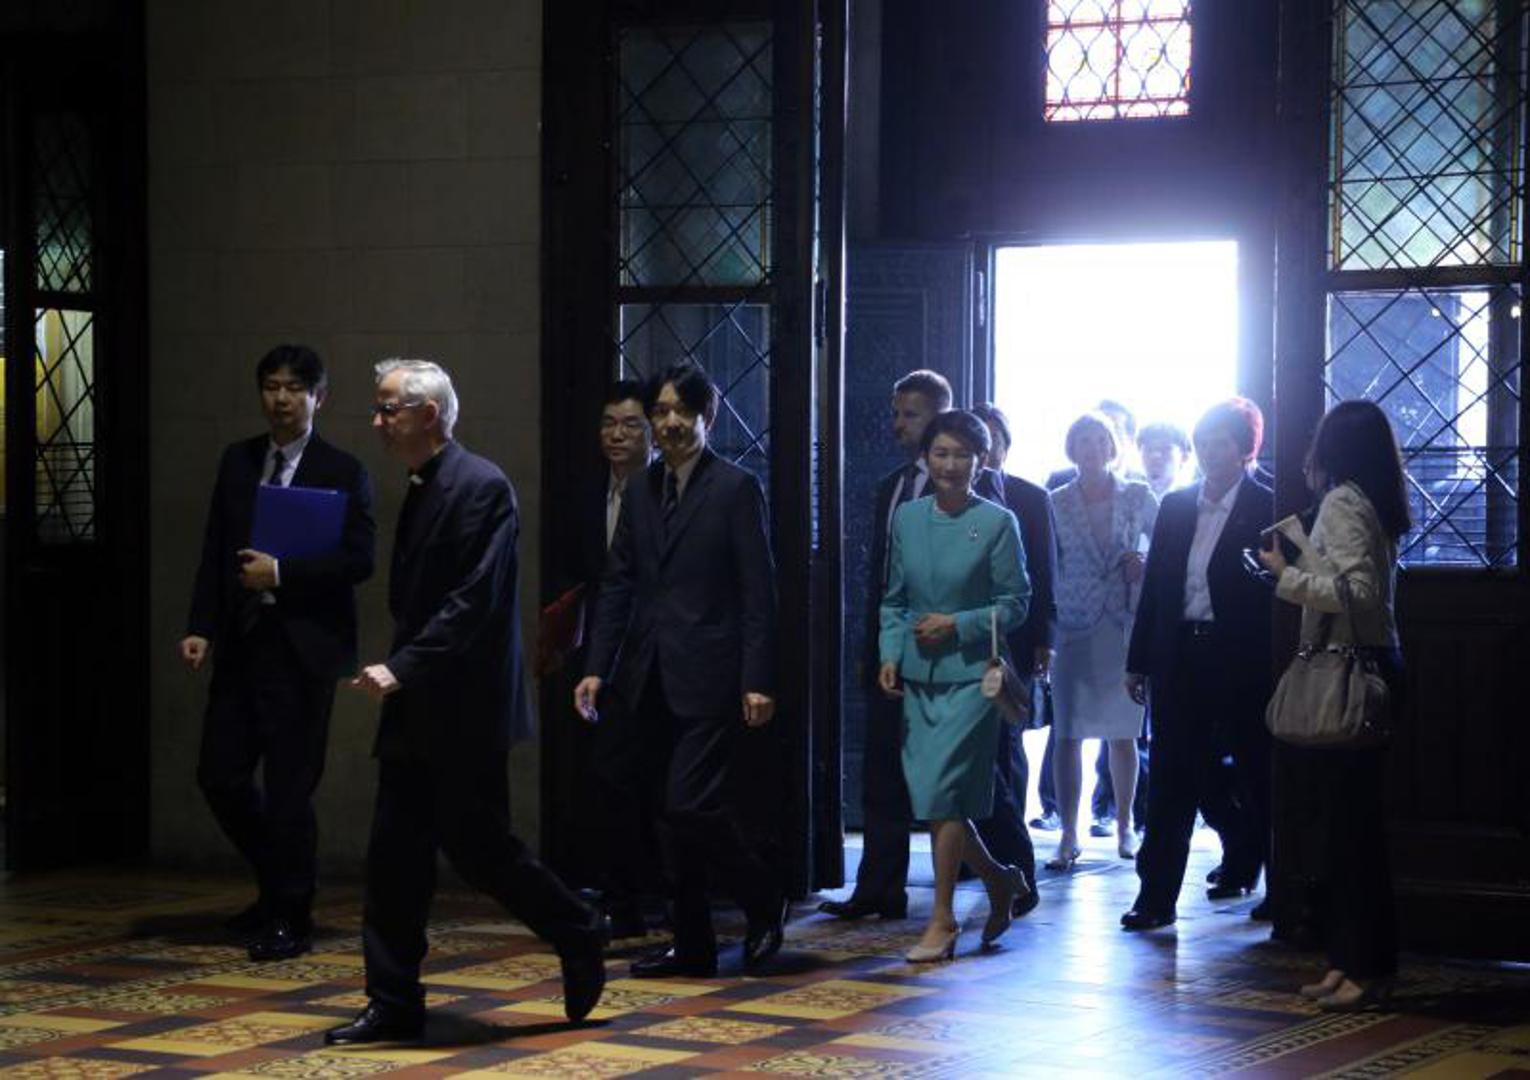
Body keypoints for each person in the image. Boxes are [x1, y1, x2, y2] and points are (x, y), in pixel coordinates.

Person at [326, 360, 604, 1045]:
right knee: (394, 858)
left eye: (388, 409)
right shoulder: (425, 482)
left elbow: (473, 602)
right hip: (419, 703)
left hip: (464, 709)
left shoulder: (481, 486)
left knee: (483, 852)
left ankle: (578, 927)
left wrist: (402, 667)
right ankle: (393, 1000)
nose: (377, 421)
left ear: (428, 414)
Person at [575, 361, 787, 979]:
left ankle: (761, 896)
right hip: (648, 675)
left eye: (682, 411)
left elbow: (758, 592)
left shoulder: (735, 488)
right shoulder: (641, 489)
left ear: (706, 417)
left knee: (689, 804)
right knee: (668, 816)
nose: (670, 423)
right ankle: (692, 941)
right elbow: (618, 584)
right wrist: (597, 667)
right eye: (661, 412)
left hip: (713, 673)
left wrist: (759, 678)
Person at [181, 344, 376, 962]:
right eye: (272, 387)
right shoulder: (238, 460)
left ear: (320, 397)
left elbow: (360, 560)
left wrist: (283, 573)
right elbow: (216, 547)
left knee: (291, 788)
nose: (282, 399)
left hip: (303, 652)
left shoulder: (342, 470)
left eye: (295, 388)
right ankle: (279, 883)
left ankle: (290, 912)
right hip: (243, 643)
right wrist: (201, 626)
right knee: (219, 774)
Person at [1259, 399, 1408, 1009]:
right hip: (1373, 664)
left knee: (1348, 833)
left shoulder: (1345, 502)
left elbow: (1357, 592)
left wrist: (1284, 575)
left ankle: (1362, 967)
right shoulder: (1373, 500)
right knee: (1353, 829)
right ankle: (1351, 962)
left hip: (1347, 671)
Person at [878, 410, 1031, 961]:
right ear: (926, 458)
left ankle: (942, 920)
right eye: (941, 453)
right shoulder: (908, 519)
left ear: (980, 462)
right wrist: (890, 653)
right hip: (920, 677)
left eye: (962, 455)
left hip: (972, 679)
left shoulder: (997, 522)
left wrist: (958, 624)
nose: (950, 464)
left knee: (945, 795)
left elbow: (1016, 603)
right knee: (936, 802)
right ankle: (998, 879)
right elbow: (894, 598)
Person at [1120, 399, 1273, 932]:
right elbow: (1157, 589)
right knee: (1171, 777)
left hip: (1241, 657)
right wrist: (1139, 661)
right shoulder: (1177, 506)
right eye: (1204, 443)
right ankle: (1155, 897)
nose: (1211, 453)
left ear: (1245, 449)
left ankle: (1274, 882)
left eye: (1221, 443)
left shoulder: (1268, 504)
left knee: (1255, 769)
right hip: (1180, 652)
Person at [820, 369, 951, 922]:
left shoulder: (961, 486)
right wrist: (872, 649)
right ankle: (879, 889)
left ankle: (1004, 877)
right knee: (881, 775)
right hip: (890, 650)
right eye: (896, 413)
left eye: (910, 414)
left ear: (938, 418)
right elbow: (880, 576)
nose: (899, 424)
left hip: (942, 654)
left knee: (952, 781)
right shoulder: (891, 486)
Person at [549, 381, 659, 939]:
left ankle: (646, 892)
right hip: (597, 654)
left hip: (654, 655)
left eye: (631, 424)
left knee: (644, 780)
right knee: (601, 776)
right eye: (609, 424)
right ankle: (617, 891)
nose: (617, 435)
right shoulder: (586, 494)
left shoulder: (666, 492)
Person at [1046, 412, 1157, 869]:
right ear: (1071, 448)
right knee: (1067, 731)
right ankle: (1068, 832)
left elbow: (1167, 546)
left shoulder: (1137, 494)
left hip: (1120, 622)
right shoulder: (1055, 501)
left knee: (1123, 732)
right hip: (1072, 625)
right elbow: (1045, 559)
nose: (1091, 449)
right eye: (1083, 441)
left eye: (1099, 441)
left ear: (1112, 447)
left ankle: (1126, 824)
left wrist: (1144, 563)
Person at [970, 402, 1056, 917]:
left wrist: (1045, 637)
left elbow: (1044, 570)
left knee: (1005, 747)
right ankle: (981, 854)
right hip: (959, 645)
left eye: (992, 441)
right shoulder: (944, 502)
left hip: (1013, 643)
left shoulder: (1027, 497)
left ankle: (1014, 861)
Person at [1137, 421, 1191, 499]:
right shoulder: (1127, 498)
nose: (1155, 455)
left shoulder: (1195, 500)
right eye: (1149, 449)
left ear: (1184, 457)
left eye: (1166, 449)